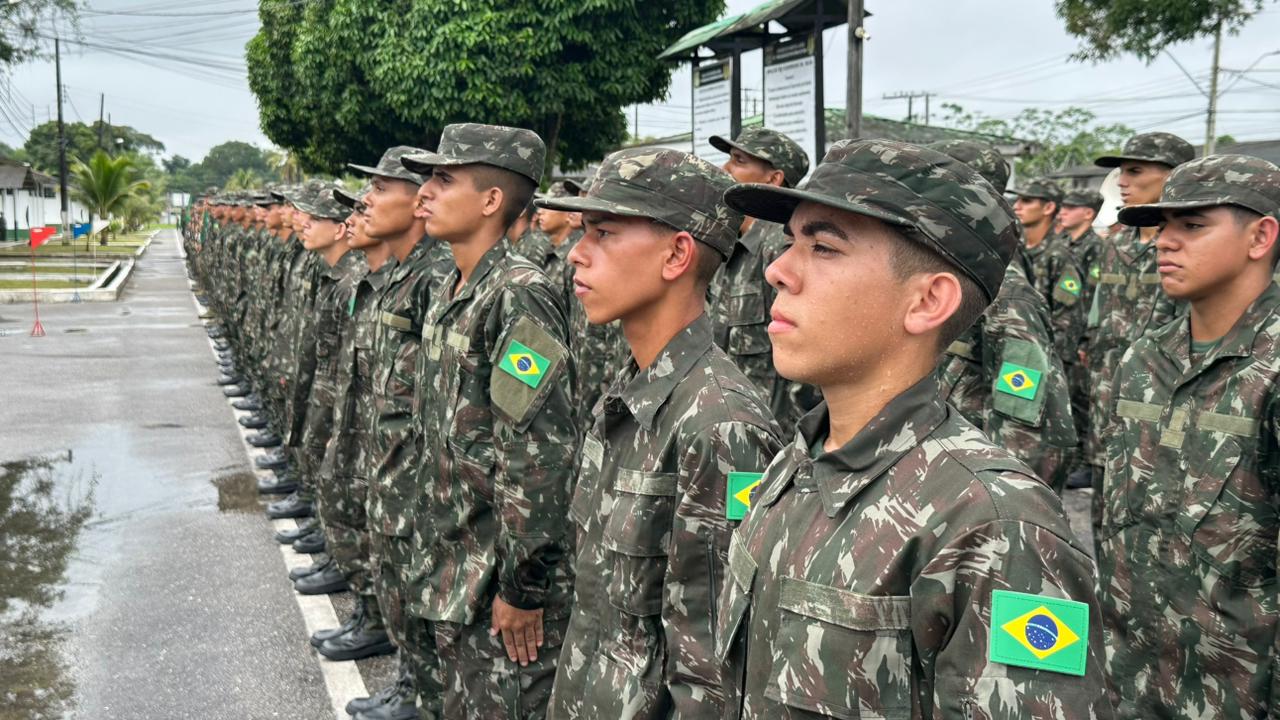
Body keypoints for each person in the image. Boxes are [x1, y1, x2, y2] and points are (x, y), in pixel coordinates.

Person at [715, 139, 1113, 718]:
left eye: (823, 247)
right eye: (788, 243)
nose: (777, 271)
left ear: (928, 300)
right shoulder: (797, 461)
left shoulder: (999, 530)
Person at [535, 147, 783, 718]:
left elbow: (714, 675)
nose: (577, 254)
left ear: (677, 254)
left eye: (603, 233)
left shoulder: (719, 428)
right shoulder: (633, 389)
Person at [1098, 154, 1280, 718]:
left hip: (1241, 692)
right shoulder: (1144, 359)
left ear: (1261, 236)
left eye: (1192, 225)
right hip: (1130, 678)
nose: (1164, 242)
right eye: (1162, 226)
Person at [406, 123, 578, 718]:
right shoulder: (456, 286)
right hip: (452, 563)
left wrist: (521, 588)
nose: (423, 193)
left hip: (492, 587)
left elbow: (538, 451)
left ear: (491, 201)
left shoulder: (517, 295)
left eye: (442, 178)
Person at [928, 140, 1078, 492]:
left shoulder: (1005, 295)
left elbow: (1028, 434)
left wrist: (994, 509)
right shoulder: (936, 276)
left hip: (969, 491)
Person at [1084, 132, 1194, 537]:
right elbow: (1097, 315)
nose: (1122, 182)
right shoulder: (1115, 242)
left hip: (1166, 403)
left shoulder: (1191, 249)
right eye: (1120, 172)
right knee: (1107, 511)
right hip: (1109, 392)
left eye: (1135, 171)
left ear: (1175, 175)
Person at [707, 126, 817, 434]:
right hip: (729, 429)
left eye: (739, 162)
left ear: (773, 179)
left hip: (772, 440)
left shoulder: (781, 250)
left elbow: (805, 362)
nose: (724, 169)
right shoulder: (730, 246)